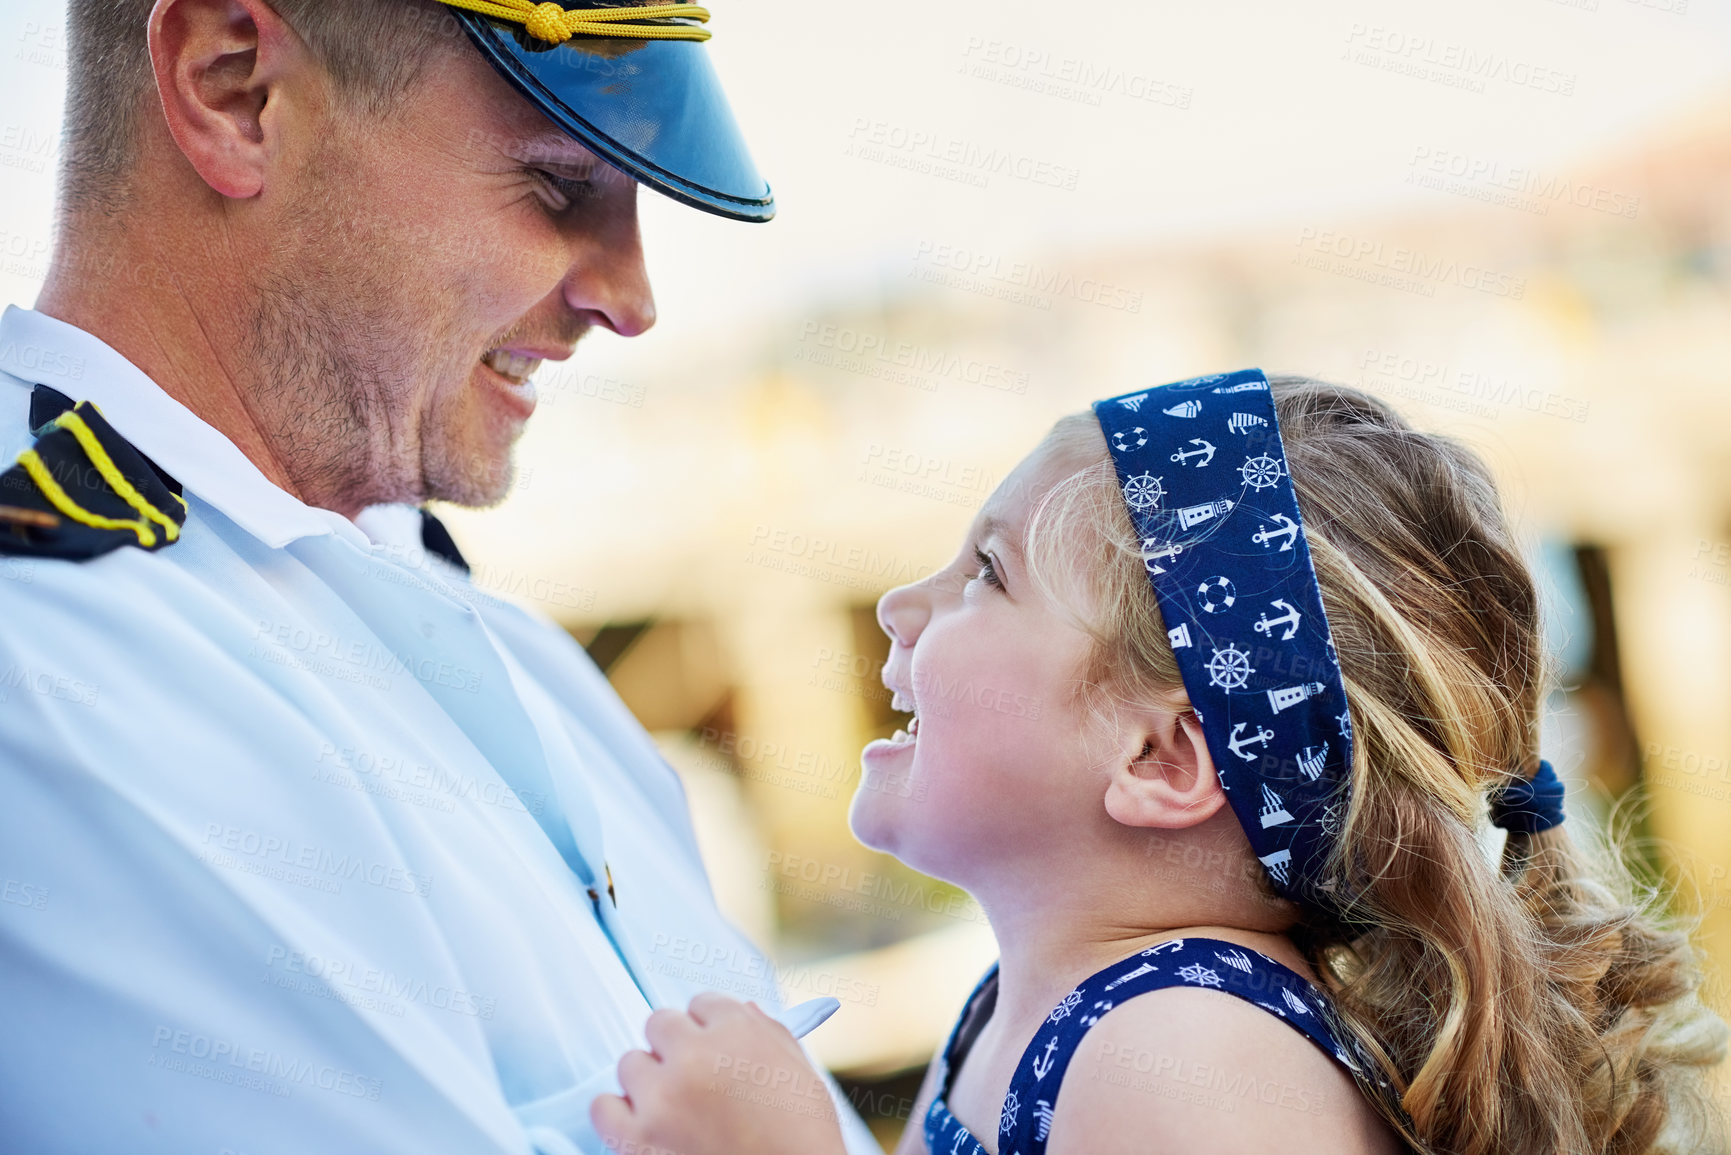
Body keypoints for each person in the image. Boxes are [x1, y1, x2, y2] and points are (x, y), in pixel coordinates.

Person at [0, 1, 876, 1152]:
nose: (631, 298)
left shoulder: (526, 665)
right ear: (232, 90)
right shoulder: (52, 672)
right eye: (561, 186)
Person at [590, 372, 1730, 1155]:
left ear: (1165, 755)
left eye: (987, 572)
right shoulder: (1033, 1008)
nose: (898, 606)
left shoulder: (1185, 1055)